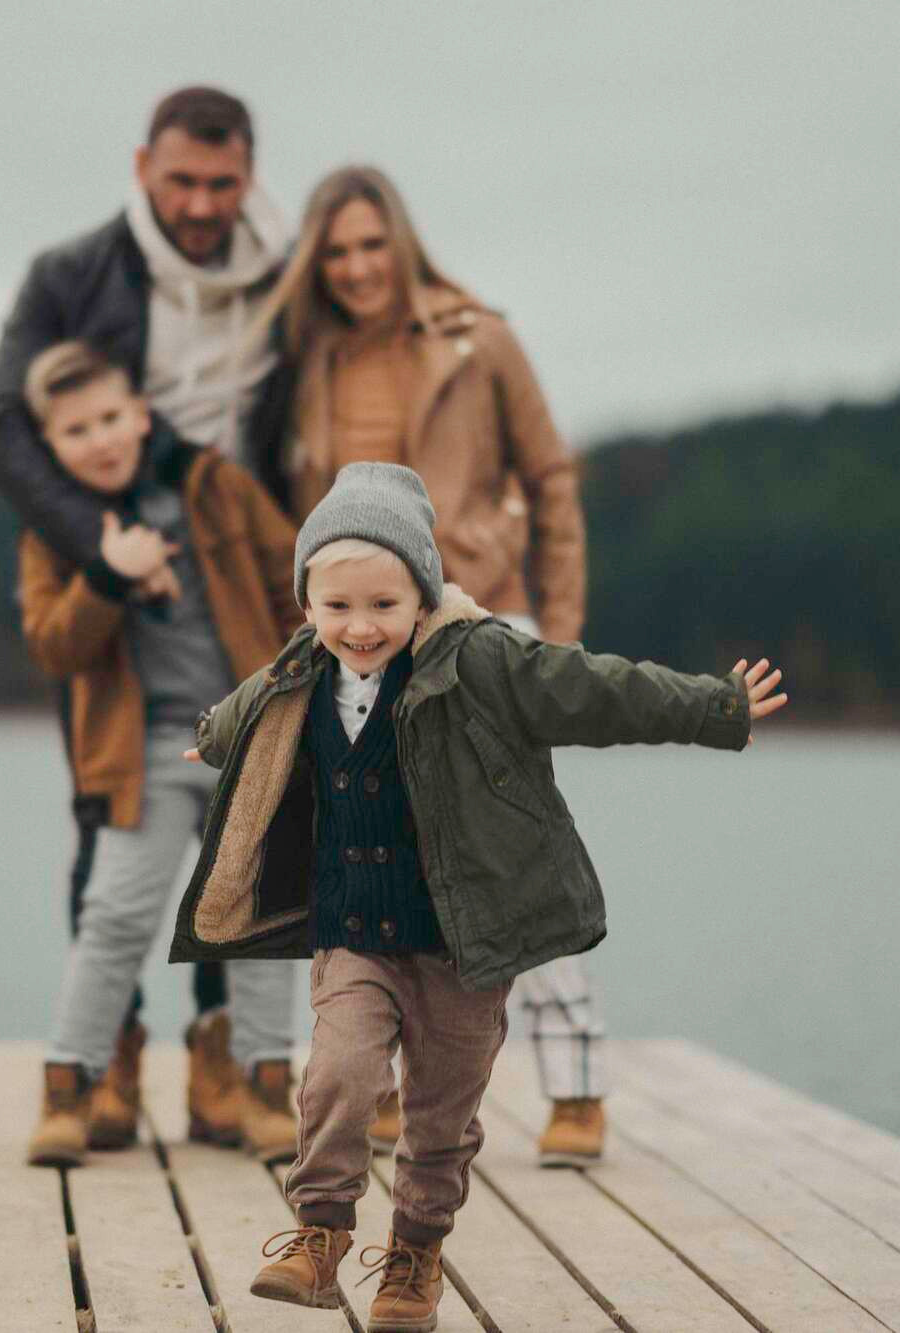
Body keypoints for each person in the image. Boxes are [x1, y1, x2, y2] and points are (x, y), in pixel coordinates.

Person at [169, 463, 786, 1327]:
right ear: (307, 601)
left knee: (439, 1113)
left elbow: (597, 690)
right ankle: (320, 1232)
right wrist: (213, 736)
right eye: (336, 606)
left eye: (383, 605)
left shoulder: (483, 660)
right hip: (354, 931)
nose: (359, 627)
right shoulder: (300, 670)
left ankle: (415, 1255)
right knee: (340, 1072)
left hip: (462, 941)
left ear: (423, 595)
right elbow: (248, 708)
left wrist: (714, 707)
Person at [249, 164, 607, 1164]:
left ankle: (575, 1085)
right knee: (377, 857)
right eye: (337, 252)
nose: (358, 268)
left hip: (476, 617)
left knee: (500, 850)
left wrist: (558, 636)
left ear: (400, 242)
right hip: (361, 631)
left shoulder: (477, 337)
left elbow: (550, 477)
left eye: (372, 245)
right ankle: (396, 1084)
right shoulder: (308, 361)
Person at [0, 85, 298, 1144]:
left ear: (247, 175)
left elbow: (384, 317)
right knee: (107, 843)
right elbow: (3, 426)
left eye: (220, 182)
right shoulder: (71, 276)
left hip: (239, 565)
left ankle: (231, 1068)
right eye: (179, 181)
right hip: (117, 586)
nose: (200, 202)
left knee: (251, 884)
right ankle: (100, 1061)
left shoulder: (284, 272)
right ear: (141, 167)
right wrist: (100, 547)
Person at [16, 341, 306, 1167]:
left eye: (112, 418)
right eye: (77, 430)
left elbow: (299, 582)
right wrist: (108, 575)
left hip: (248, 737)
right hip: (144, 754)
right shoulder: (58, 533)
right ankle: (69, 1084)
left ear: (141, 415)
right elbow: (52, 647)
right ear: (51, 446)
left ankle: (263, 1084)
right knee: (114, 914)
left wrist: (297, 690)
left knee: (259, 916)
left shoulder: (214, 487)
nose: (101, 439)